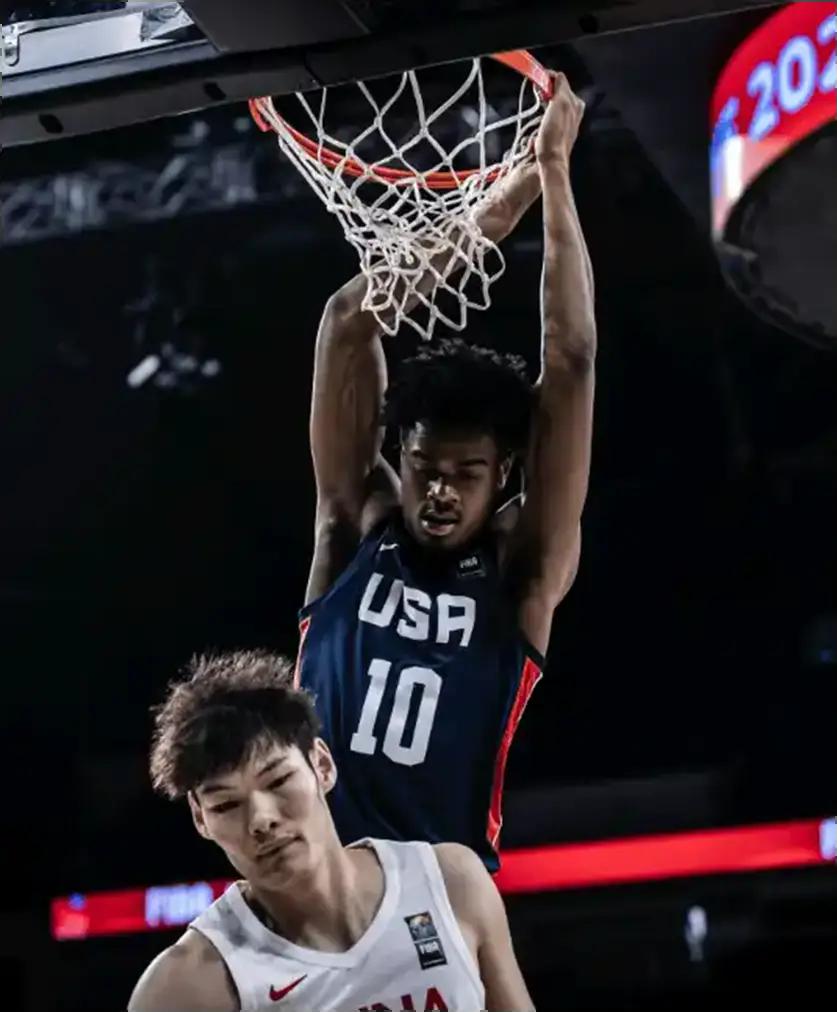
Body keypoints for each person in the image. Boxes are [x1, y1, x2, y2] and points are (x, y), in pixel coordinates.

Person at [296, 72, 596, 868]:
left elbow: (570, 361)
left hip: (436, 886)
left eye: (465, 472)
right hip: (317, 875)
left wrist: (553, 173)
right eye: (424, 464)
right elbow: (348, 321)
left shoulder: (519, 571)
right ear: (399, 454)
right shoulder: (353, 528)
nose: (437, 489)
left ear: (504, 476)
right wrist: (495, 213)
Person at [128, 650, 534, 1012]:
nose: (261, 819)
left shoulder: (450, 882)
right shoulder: (187, 987)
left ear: (321, 765)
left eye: (278, 781)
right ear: (201, 818)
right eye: (226, 805)